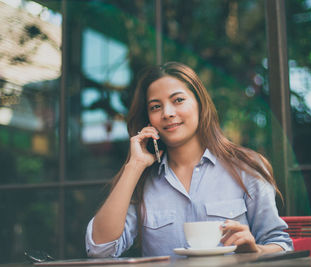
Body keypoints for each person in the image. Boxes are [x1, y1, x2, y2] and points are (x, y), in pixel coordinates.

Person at [85, 62, 293, 257]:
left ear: (200, 104)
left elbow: (282, 245)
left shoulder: (246, 167)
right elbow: (99, 249)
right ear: (149, 118)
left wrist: (255, 249)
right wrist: (134, 165)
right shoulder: (141, 180)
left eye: (178, 100)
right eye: (156, 107)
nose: (167, 113)